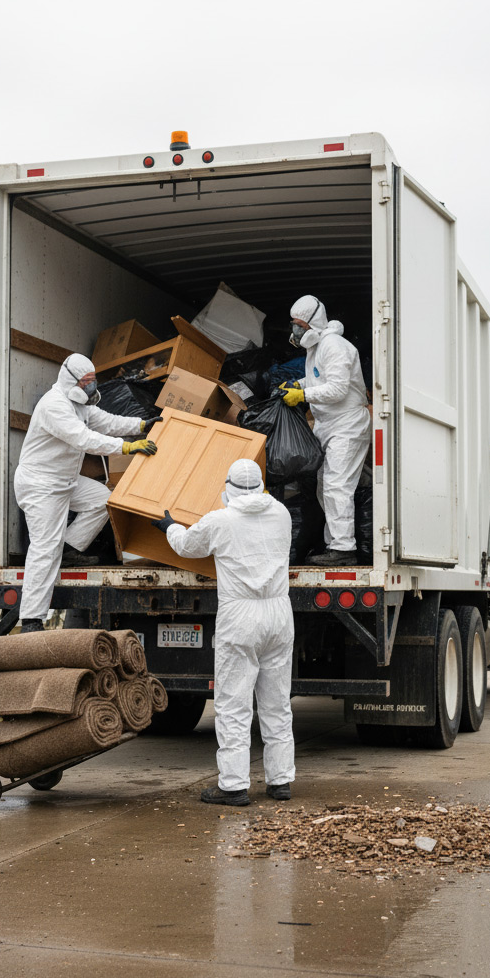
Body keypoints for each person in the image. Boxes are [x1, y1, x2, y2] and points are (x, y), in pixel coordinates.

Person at [152, 459, 295, 806]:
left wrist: (170, 526)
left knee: (233, 703)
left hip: (241, 614)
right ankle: (280, 781)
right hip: (279, 611)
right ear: (261, 484)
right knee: (277, 703)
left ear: (229, 487)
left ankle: (233, 785)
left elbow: (187, 546)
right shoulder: (282, 514)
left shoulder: (221, 520)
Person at [15, 353, 160, 632]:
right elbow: (83, 439)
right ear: (71, 381)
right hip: (41, 486)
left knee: (103, 499)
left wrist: (140, 426)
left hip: (65, 481)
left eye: (93, 381)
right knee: (45, 549)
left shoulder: (79, 402)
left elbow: (104, 421)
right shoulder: (54, 406)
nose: (92, 387)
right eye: (87, 382)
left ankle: (68, 549)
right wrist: (126, 447)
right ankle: (31, 620)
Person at [281, 295, 372, 566]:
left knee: (337, 485)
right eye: (293, 324)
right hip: (328, 424)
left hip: (347, 423)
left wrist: (303, 395)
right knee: (325, 486)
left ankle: (343, 550)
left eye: (300, 325)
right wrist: (297, 384)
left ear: (313, 322)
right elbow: (318, 377)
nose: (296, 331)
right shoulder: (317, 347)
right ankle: (334, 545)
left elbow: (338, 388)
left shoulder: (335, 346)